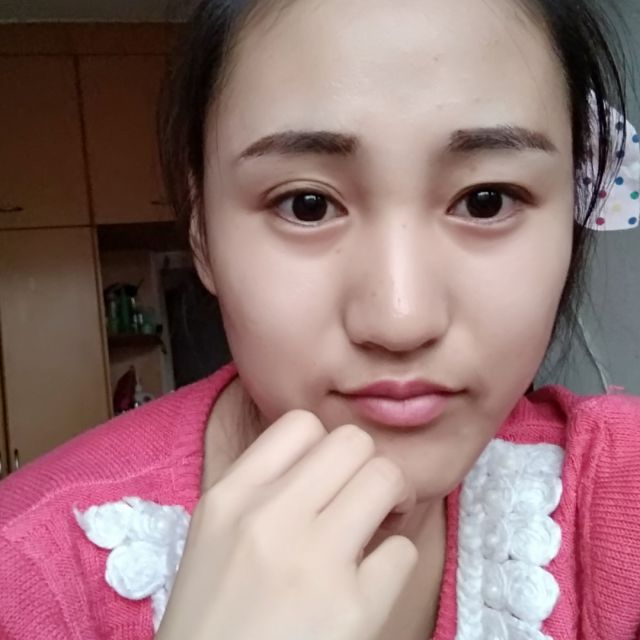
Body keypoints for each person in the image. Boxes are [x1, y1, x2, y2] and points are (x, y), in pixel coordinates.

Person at [0, 0, 638, 638]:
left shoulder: (615, 492)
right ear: (200, 233)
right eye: (307, 205)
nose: (400, 320)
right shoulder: (25, 576)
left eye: (486, 201)